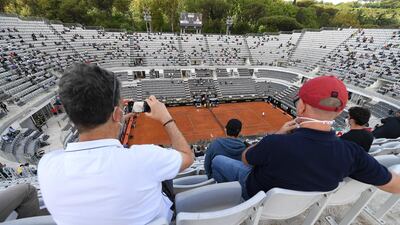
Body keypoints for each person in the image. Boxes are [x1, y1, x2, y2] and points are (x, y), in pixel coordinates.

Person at [38, 64, 194, 225]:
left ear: (71, 116)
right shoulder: (146, 158)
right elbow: (187, 157)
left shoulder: (47, 165)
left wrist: (119, 120)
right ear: (117, 114)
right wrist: (166, 118)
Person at [211, 76, 400, 200]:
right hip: (295, 206)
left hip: (254, 194)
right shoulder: (352, 154)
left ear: (301, 107)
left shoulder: (275, 142)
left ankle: (232, 199)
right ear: (339, 112)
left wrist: (277, 134)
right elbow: (394, 184)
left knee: (219, 160)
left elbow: (246, 158)